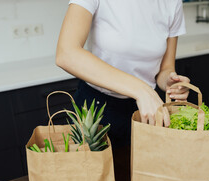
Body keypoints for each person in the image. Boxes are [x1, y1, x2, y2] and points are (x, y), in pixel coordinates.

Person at [56, 0, 190, 149]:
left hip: (145, 111)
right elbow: (66, 53)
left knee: (143, 169)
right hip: (96, 108)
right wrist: (141, 90)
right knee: (91, 170)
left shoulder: (172, 3)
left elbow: (165, 68)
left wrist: (169, 81)